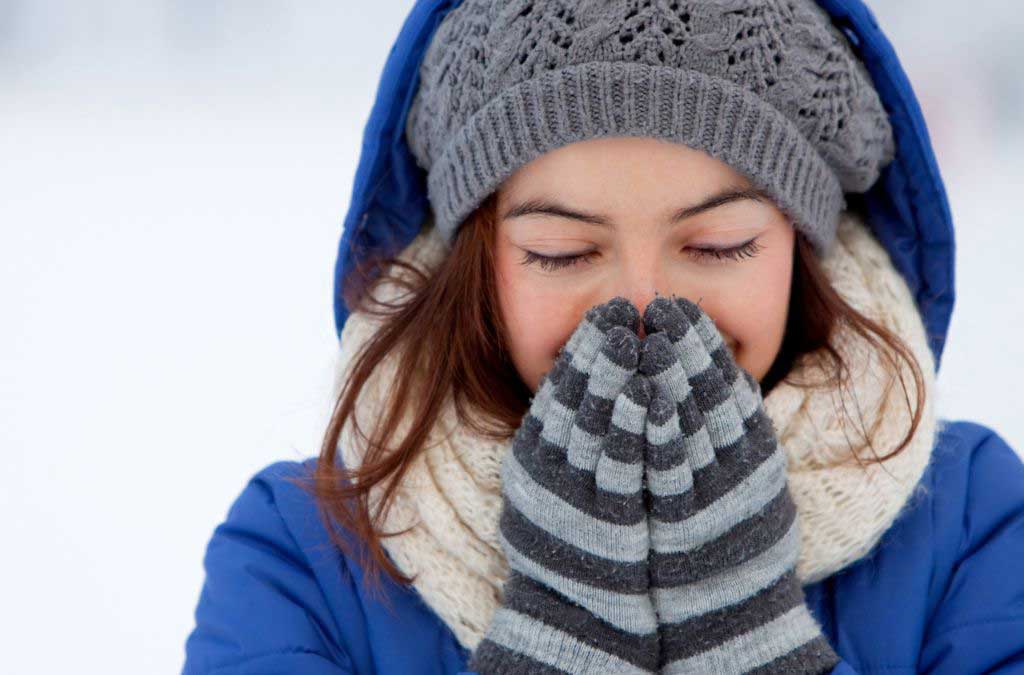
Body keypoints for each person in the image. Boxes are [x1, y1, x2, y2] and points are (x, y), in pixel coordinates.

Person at [183, 1, 1024, 673]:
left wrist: (752, 645)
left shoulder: (973, 525)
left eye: (718, 244)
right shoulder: (301, 556)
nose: (644, 306)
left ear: (801, 247)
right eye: (563, 251)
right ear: (477, 264)